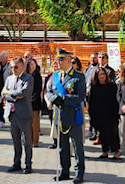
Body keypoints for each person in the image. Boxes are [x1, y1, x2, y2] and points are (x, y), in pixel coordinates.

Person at [45, 48, 86, 183]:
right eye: (57, 59)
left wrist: (63, 99)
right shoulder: (55, 76)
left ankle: (79, 173)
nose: (58, 62)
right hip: (59, 116)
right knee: (62, 146)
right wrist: (53, 99)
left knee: (77, 146)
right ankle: (64, 171)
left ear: (69, 61)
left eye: (60, 59)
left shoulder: (78, 76)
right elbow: (49, 91)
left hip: (73, 115)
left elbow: (80, 96)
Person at [2, 57, 35, 174]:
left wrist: (10, 94)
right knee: (15, 140)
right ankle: (16, 163)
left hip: (24, 114)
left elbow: (24, 92)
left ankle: (28, 165)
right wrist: (13, 96)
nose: (13, 69)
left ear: (22, 67)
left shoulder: (28, 78)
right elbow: (3, 93)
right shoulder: (9, 78)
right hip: (12, 113)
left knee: (27, 141)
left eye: (15, 67)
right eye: (11, 67)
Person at [89, 67, 120, 160]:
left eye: (103, 74)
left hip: (110, 114)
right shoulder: (94, 88)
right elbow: (91, 102)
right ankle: (105, 151)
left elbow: (115, 100)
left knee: (112, 133)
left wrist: (116, 114)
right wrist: (92, 116)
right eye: (100, 74)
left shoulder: (112, 86)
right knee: (102, 134)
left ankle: (116, 151)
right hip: (98, 114)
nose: (102, 76)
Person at [0, 51, 13, 128]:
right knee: (0, 104)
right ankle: (1, 120)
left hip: (7, 87)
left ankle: (10, 120)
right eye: (0, 56)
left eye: (2, 56)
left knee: (9, 104)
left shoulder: (10, 66)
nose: (0, 57)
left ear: (7, 58)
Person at [25, 58, 43, 147]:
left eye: (34, 64)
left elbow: (38, 90)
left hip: (34, 102)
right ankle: (27, 140)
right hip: (25, 102)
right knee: (27, 123)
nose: (33, 66)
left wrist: (31, 100)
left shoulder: (37, 76)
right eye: (31, 64)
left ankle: (35, 141)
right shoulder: (24, 76)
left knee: (35, 123)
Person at [44, 60, 60, 149]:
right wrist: (47, 101)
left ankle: (60, 141)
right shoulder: (49, 77)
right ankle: (55, 141)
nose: (55, 67)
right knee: (53, 123)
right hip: (51, 103)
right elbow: (46, 91)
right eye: (54, 66)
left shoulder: (61, 77)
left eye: (57, 65)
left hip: (58, 103)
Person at [84, 52, 99, 142]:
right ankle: (93, 131)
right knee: (90, 114)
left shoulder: (98, 69)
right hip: (87, 95)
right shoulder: (87, 69)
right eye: (91, 58)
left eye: (94, 58)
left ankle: (96, 133)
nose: (93, 59)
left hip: (95, 94)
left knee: (96, 114)